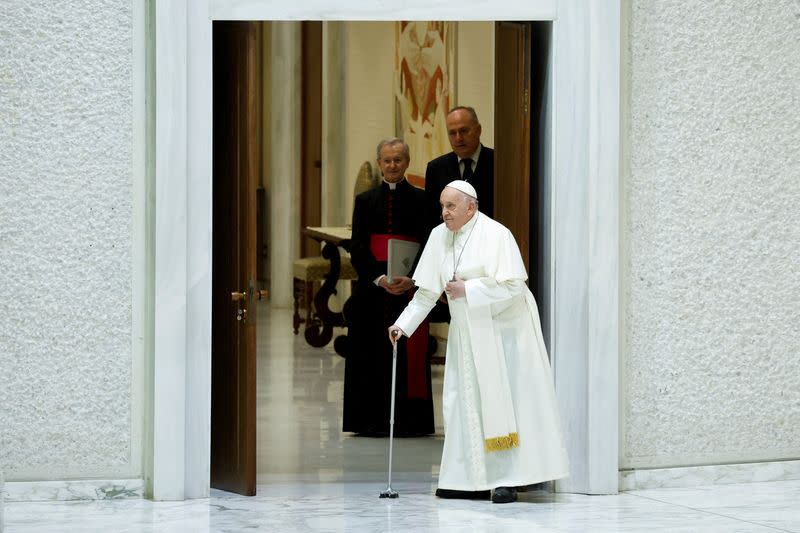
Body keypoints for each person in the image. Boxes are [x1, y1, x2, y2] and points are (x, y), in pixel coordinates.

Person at [388, 180, 569, 503]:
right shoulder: (438, 236)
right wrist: (403, 325)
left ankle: (506, 479)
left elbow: (514, 286)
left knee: (505, 403)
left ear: (471, 206)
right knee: (462, 402)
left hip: (504, 333)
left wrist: (469, 290)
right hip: (466, 330)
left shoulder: (497, 234)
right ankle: (464, 478)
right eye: (442, 206)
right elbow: (428, 291)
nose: (444, 213)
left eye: (451, 206)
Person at [342, 138, 434, 437]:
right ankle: (369, 421)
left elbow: (429, 245)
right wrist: (379, 278)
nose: (392, 165)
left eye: (398, 160)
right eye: (387, 160)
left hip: (409, 290)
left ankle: (410, 423)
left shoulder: (422, 199)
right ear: (379, 162)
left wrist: (413, 279)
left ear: (406, 162)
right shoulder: (365, 200)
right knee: (370, 352)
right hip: (372, 290)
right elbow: (357, 247)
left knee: (407, 353)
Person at [423, 106, 494, 233]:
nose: (458, 138)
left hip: (488, 243)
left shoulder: (497, 164)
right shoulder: (436, 168)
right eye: (452, 133)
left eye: (464, 131)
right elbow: (431, 220)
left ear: (478, 130)